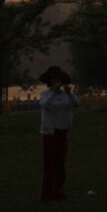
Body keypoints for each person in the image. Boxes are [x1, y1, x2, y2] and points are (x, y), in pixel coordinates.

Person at [38, 66, 81, 203]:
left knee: (60, 164)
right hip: (49, 132)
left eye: (58, 80)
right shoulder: (45, 94)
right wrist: (53, 93)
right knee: (49, 165)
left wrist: (69, 93)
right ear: (49, 82)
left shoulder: (66, 95)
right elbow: (44, 105)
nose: (56, 82)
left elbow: (77, 104)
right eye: (53, 80)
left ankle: (59, 192)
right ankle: (47, 195)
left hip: (62, 132)